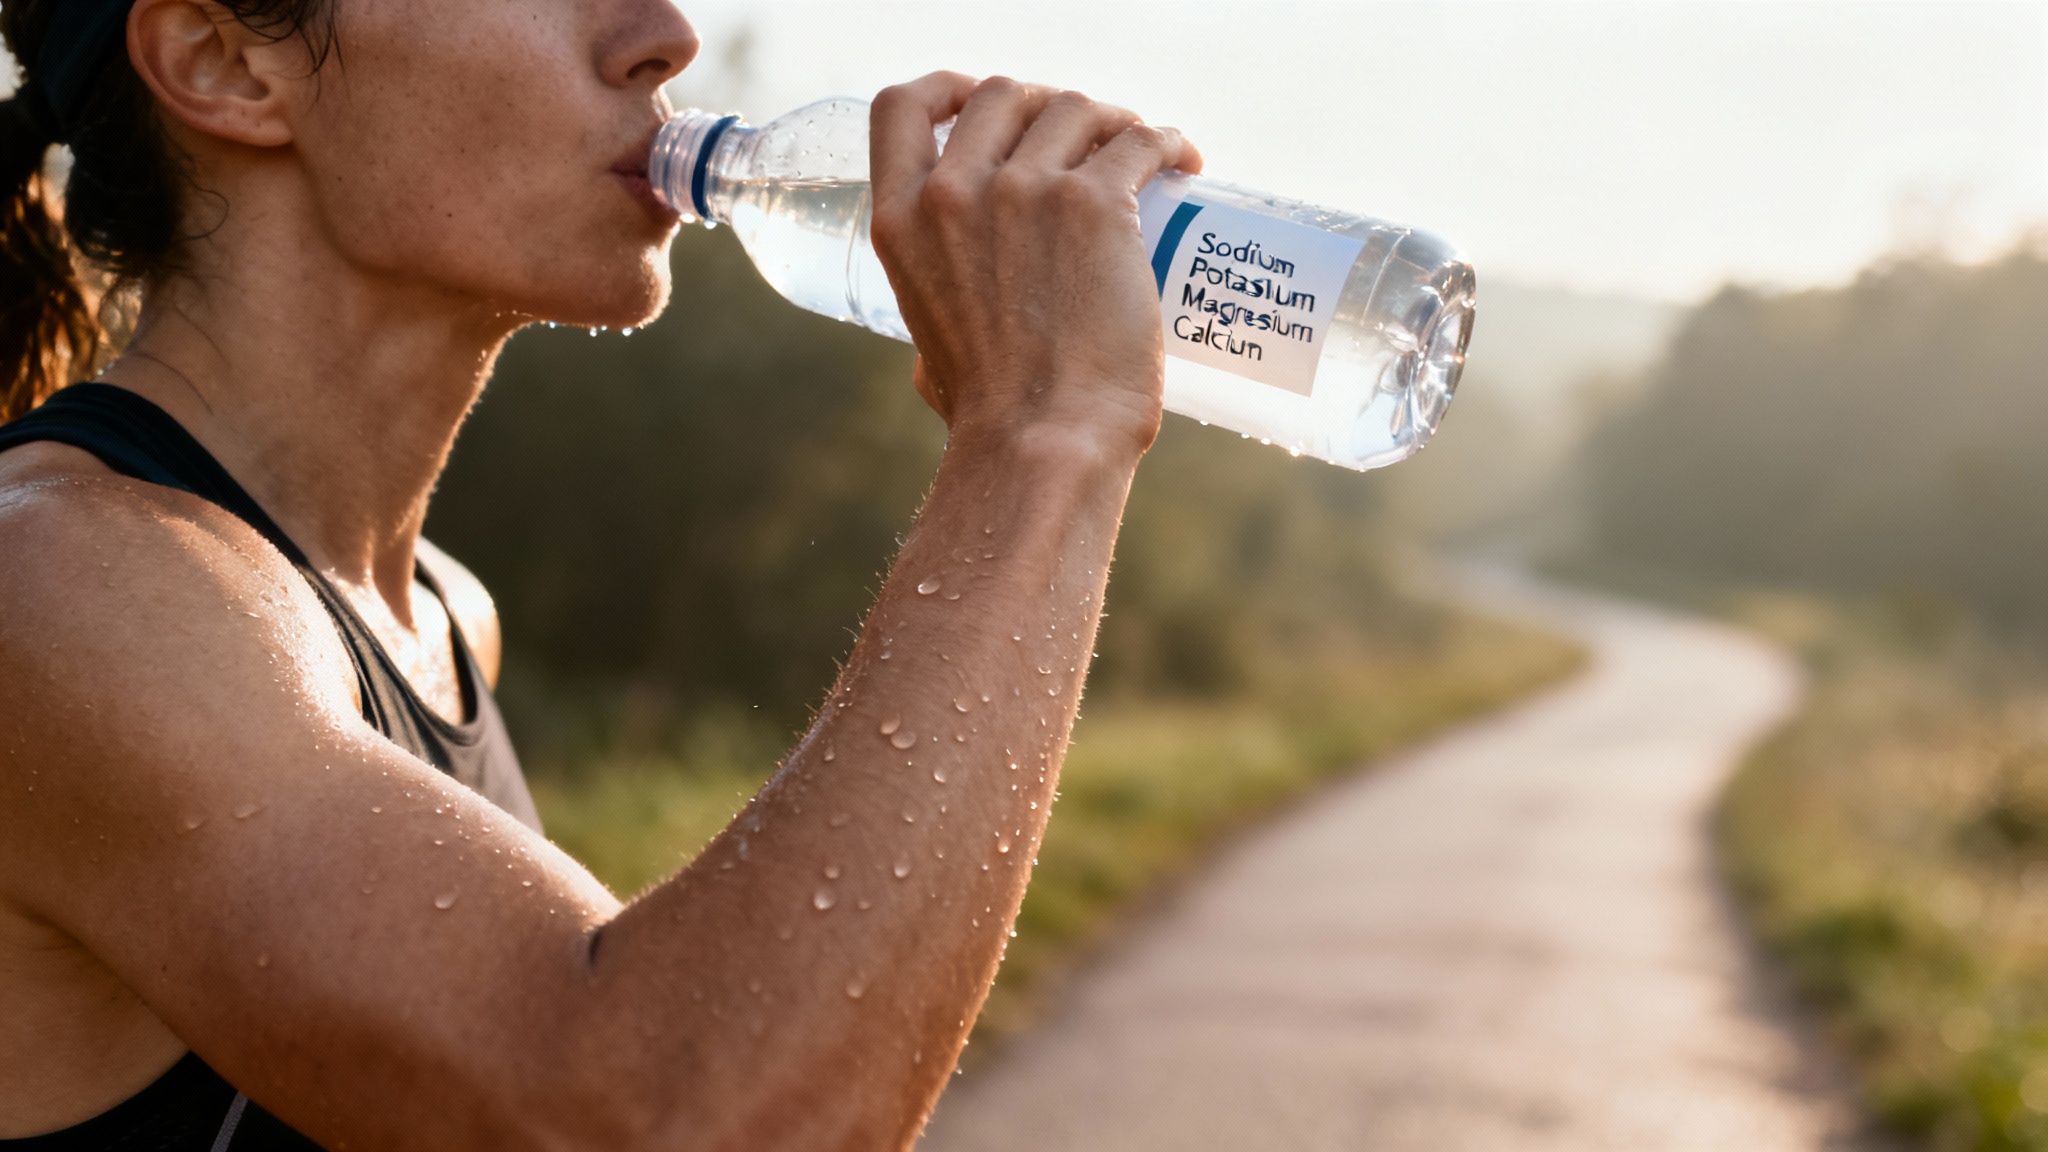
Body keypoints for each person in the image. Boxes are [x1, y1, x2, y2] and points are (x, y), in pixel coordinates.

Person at [0, 0, 1202, 1148]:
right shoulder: (57, 586)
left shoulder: (440, 615)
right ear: (222, 63)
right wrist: (1039, 435)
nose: (663, 38)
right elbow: (671, 1118)